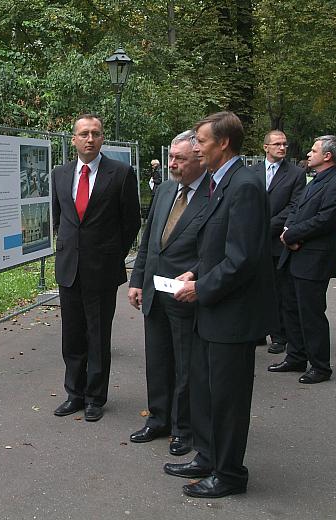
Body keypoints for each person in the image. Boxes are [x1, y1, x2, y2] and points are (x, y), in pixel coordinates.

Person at [171, 111, 276, 498]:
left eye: (201, 140)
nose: (196, 146)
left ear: (224, 143)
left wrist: (203, 287)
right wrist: (195, 273)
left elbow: (243, 258)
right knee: (205, 388)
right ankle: (208, 455)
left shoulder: (244, 185)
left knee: (228, 399)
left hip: (231, 314)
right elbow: (218, 247)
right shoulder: (222, 182)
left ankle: (229, 474)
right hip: (213, 309)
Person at [51, 114, 140, 422]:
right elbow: (58, 217)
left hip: (102, 269)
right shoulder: (60, 174)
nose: (90, 139)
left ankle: (95, 398)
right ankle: (73, 393)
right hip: (69, 268)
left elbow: (131, 222)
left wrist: (112, 254)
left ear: (103, 139)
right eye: (84, 134)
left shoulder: (121, 173)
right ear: (74, 139)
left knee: (98, 335)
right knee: (72, 335)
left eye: (96, 133)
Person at [128, 130, 208, 456]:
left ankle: (183, 428)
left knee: (185, 364)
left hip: (184, 294)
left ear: (199, 160)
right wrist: (136, 281)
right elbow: (148, 241)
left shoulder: (213, 196)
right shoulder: (163, 190)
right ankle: (157, 418)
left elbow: (215, 249)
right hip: (153, 291)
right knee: (157, 359)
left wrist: (198, 278)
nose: (172, 164)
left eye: (180, 159)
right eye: (171, 157)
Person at [269, 136, 336, 383]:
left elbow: (325, 220)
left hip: (313, 259)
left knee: (311, 313)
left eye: (314, 150)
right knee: (291, 309)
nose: (308, 153)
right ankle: (296, 357)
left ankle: (320, 366)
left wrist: (293, 234)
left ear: (327, 156)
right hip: (293, 254)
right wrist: (287, 232)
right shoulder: (315, 180)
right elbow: (297, 209)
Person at [252, 130, 306, 354]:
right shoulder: (252, 172)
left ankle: (279, 335)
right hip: (252, 241)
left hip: (276, 241)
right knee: (254, 288)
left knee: (277, 290)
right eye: (277, 144)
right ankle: (257, 331)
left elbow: (294, 207)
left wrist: (266, 226)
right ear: (266, 147)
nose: (282, 148)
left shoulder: (295, 174)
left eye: (284, 144)